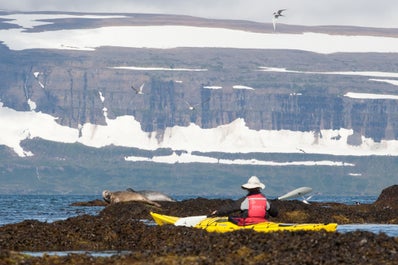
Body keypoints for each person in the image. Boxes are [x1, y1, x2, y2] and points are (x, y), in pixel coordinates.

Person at [210, 176, 278, 226]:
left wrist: (217, 212)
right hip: (263, 223)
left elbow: (230, 208)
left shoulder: (245, 200)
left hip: (247, 223)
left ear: (248, 189)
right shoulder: (266, 200)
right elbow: (275, 213)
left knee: (230, 218)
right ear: (259, 188)